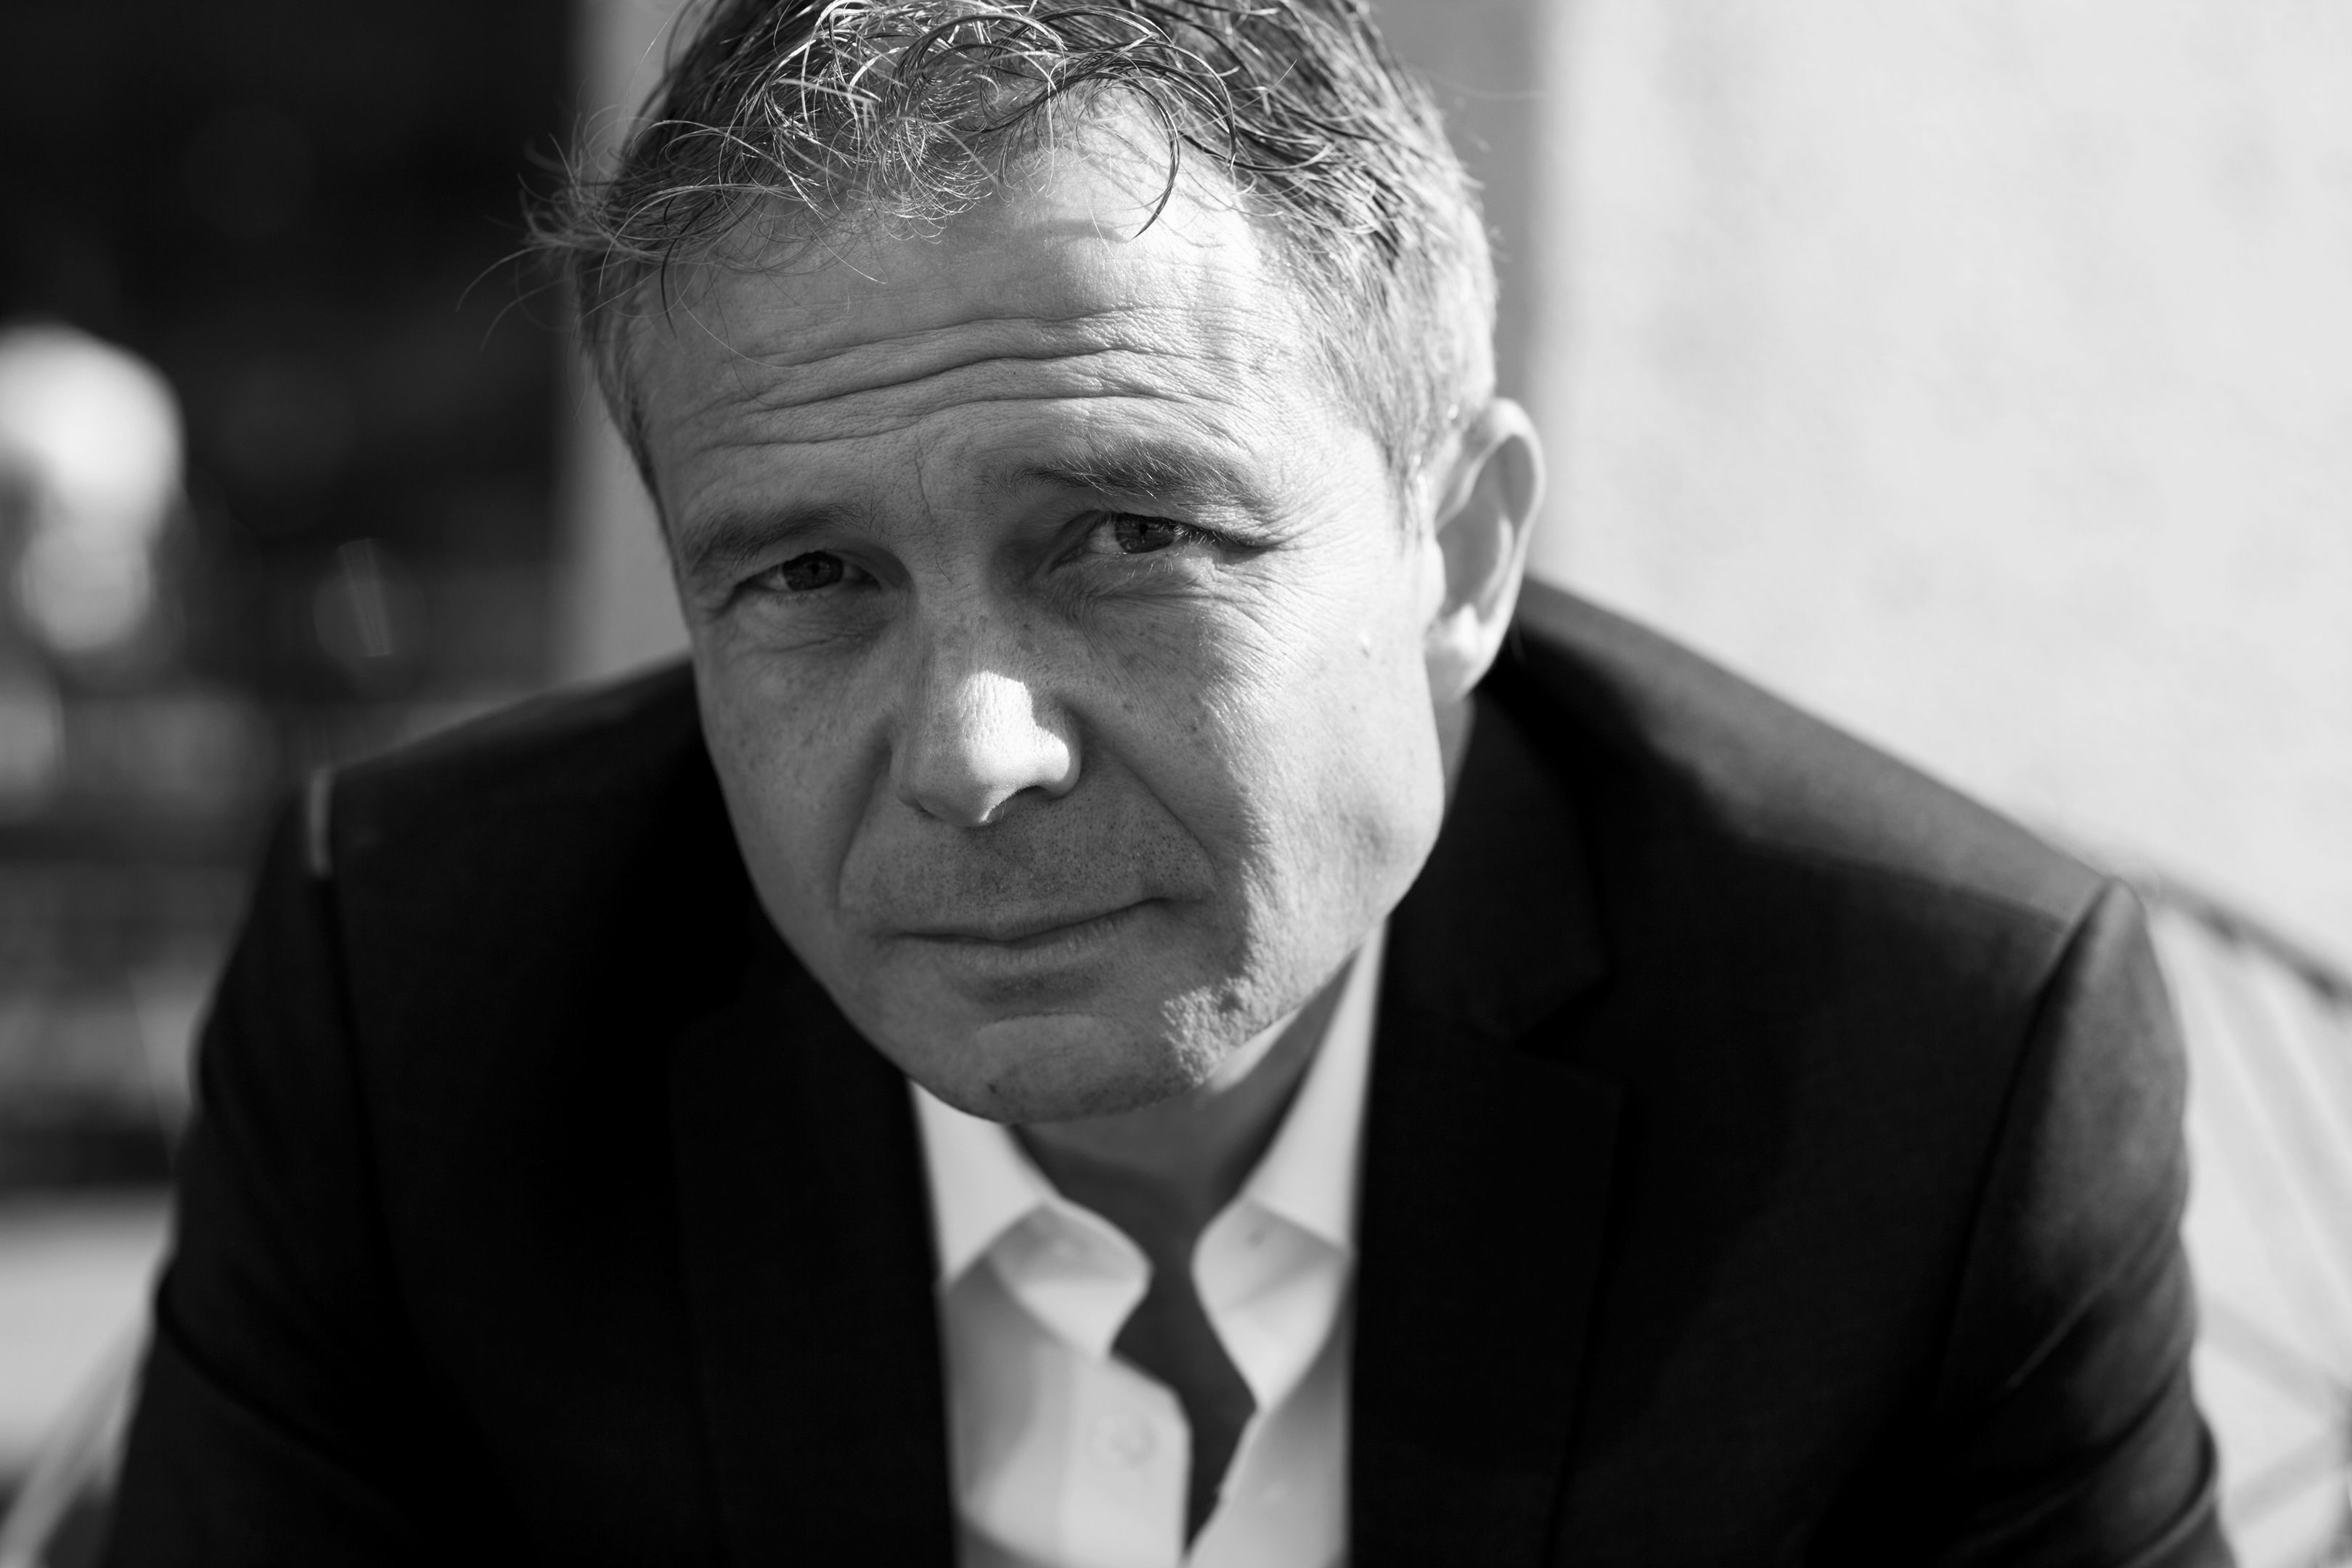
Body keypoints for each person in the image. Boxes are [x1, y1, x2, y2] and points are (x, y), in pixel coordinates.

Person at [103, 1, 2229, 1564]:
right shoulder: (420, 997)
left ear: (1460, 554)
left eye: (1128, 535)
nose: (972, 752)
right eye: (812, 577)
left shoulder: (1931, 1061)